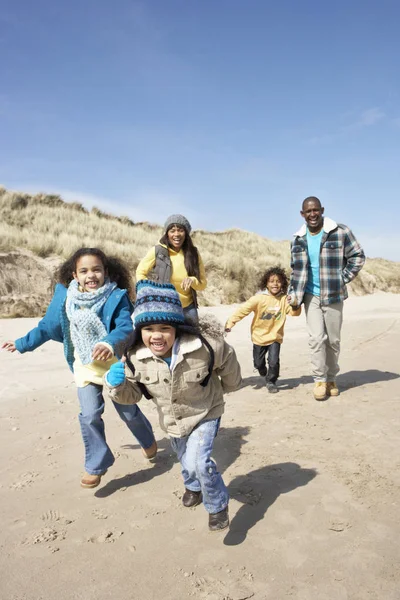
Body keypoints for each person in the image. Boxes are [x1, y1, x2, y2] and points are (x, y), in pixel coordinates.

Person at [2, 248, 157, 489]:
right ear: (74, 275)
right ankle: (96, 465)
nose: (90, 275)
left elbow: (126, 327)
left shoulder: (117, 296)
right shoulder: (66, 298)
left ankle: (147, 440)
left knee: (128, 411)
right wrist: (22, 344)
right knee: (90, 414)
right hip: (84, 367)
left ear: (106, 272)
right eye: (84, 271)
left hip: (113, 366)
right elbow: (46, 327)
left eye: (96, 269)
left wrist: (109, 342)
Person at [104, 280, 242, 531]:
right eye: (149, 329)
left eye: (165, 327)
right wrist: (116, 386)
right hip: (172, 419)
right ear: (139, 331)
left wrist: (231, 385)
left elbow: (227, 358)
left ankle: (217, 505)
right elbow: (132, 396)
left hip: (206, 411)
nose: (157, 335)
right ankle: (193, 486)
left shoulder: (205, 346)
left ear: (177, 328)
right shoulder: (134, 358)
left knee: (199, 462)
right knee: (186, 461)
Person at [287, 196, 365, 401]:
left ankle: (331, 378)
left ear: (322, 210)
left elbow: (358, 256)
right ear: (302, 214)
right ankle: (319, 380)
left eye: (315, 210)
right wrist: (292, 294)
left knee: (333, 340)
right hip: (310, 296)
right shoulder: (297, 239)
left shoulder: (340, 232)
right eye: (308, 211)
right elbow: (295, 270)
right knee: (315, 339)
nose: (312, 214)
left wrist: (342, 278)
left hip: (334, 294)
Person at [225, 267, 301, 393]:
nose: (275, 284)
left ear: (283, 283)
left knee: (273, 361)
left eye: (278, 281)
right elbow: (243, 310)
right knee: (259, 363)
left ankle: (271, 381)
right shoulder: (258, 299)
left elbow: (295, 313)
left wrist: (295, 303)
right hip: (259, 337)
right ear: (266, 283)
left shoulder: (284, 299)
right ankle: (262, 370)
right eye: (271, 281)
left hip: (275, 337)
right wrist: (230, 322)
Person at [136, 214, 207, 324]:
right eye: (172, 231)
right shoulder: (157, 251)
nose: (176, 234)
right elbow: (141, 272)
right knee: (167, 340)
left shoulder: (194, 253)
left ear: (186, 233)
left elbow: (202, 284)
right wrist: (147, 290)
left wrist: (192, 280)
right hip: (165, 306)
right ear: (167, 233)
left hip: (188, 308)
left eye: (180, 230)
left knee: (193, 340)